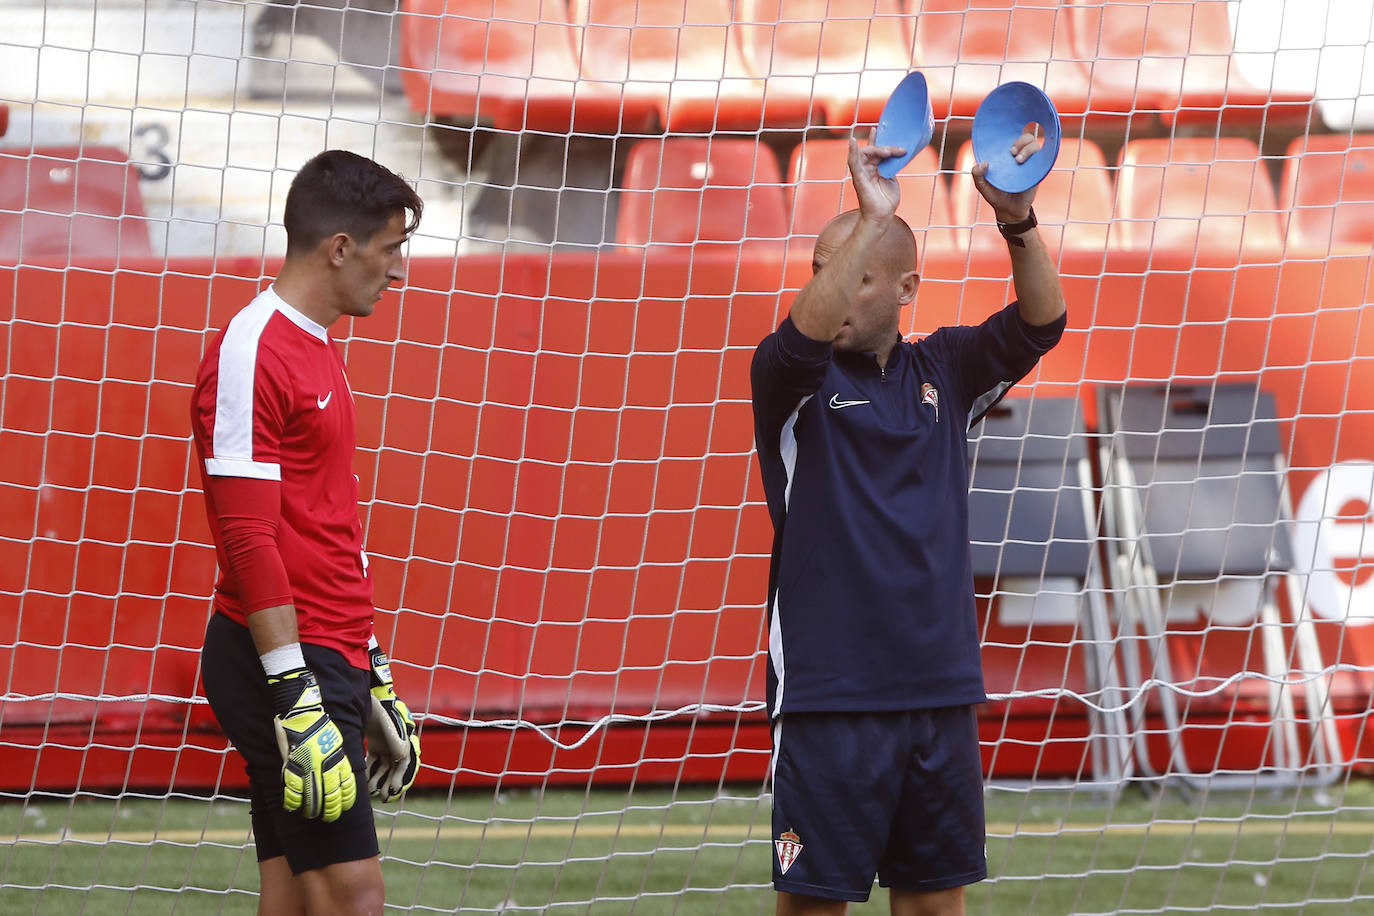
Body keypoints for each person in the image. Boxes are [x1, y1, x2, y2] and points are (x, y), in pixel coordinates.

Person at [750, 132, 1067, 916]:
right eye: (820, 271)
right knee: (814, 905)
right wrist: (871, 214)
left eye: (855, 277)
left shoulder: (946, 371)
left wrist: (1018, 222)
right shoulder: (789, 377)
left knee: (933, 906)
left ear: (904, 288)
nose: (830, 290)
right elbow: (800, 335)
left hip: (939, 692)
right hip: (830, 699)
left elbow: (1042, 324)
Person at [190, 149, 425, 916]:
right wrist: (295, 691)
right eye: (391, 249)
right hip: (282, 663)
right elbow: (249, 539)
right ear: (339, 249)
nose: (399, 272)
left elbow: (327, 524)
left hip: (327, 652)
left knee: (292, 896)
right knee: (354, 895)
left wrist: (371, 664)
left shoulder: (319, 346)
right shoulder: (253, 347)